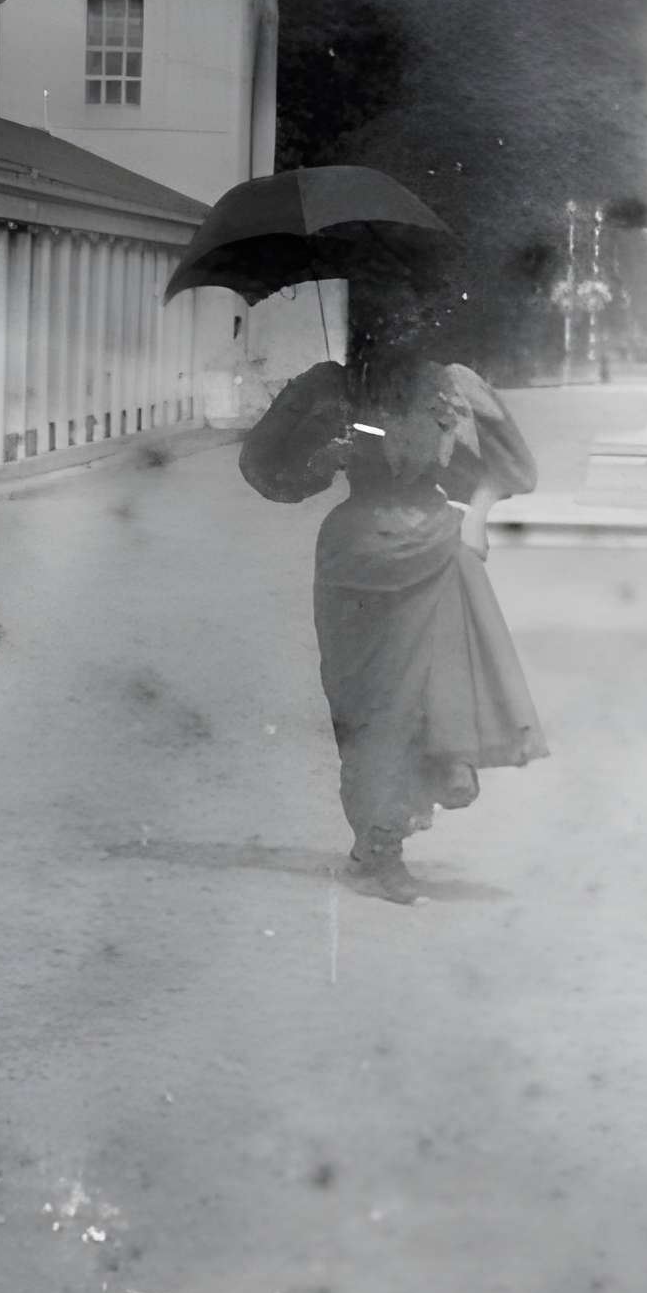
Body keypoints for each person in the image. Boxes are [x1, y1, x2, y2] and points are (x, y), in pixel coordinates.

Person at [239, 272, 547, 904]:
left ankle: (384, 846)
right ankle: (373, 833)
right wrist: (325, 457)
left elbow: (515, 466)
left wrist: (478, 518)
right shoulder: (326, 389)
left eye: (412, 325)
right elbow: (263, 466)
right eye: (385, 326)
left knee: (410, 706)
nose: (399, 338)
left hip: (433, 552)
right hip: (354, 559)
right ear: (362, 331)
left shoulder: (452, 386)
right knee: (361, 705)